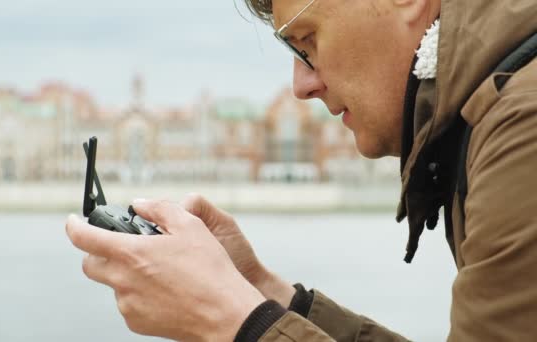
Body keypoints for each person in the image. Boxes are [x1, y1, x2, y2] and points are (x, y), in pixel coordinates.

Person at [65, 0, 537, 340]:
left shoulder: (523, 124)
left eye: (307, 40)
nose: (301, 85)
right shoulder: (499, 101)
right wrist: (270, 297)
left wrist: (232, 321)